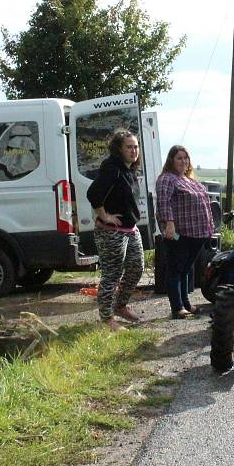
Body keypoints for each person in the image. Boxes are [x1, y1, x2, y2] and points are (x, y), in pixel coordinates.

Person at [86, 130, 144, 331]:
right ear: (119, 149)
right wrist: (104, 215)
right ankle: (107, 318)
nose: (133, 150)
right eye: (129, 146)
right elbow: (93, 193)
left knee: (137, 268)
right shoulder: (112, 168)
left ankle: (120, 306)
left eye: (135, 146)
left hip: (130, 228)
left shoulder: (129, 169)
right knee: (112, 273)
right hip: (111, 231)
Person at [155, 145, 215, 319]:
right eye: (179, 158)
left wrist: (209, 228)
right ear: (171, 160)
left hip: (197, 234)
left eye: (185, 158)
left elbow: (206, 205)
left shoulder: (192, 181)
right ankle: (177, 307)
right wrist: (169, 223)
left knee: (186, 269)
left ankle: (186, 303)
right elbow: (164, 202)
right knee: (175, 269)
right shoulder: (167, 178)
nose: (183, 161)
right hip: (179, 232)